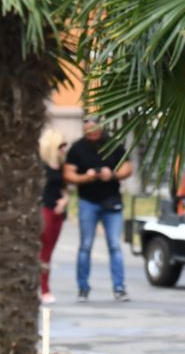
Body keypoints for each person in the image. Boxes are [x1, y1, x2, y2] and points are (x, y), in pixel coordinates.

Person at [64, 117, 133, 301]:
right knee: (85, 246)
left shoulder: (113, 145)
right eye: (88, 131)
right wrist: (85, 177)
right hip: (88, 201)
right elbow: (69, 174)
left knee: (114, 246)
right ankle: (83, 288)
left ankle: (119, 288)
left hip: (111, 200)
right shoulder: (77, 148)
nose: (92, 134)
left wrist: (112, 175)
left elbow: (128, 168)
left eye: (94, 130)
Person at [35, 128, 68, 306]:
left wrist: (64, 200)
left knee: (49, 252)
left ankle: (45, 288)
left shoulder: (61, 165)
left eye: (65, 145)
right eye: (61, 145)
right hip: (45, 210)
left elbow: (63, 188)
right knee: (43, 251)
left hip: (59, 212)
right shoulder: (42, 166)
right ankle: (44, 289)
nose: (64, 148)